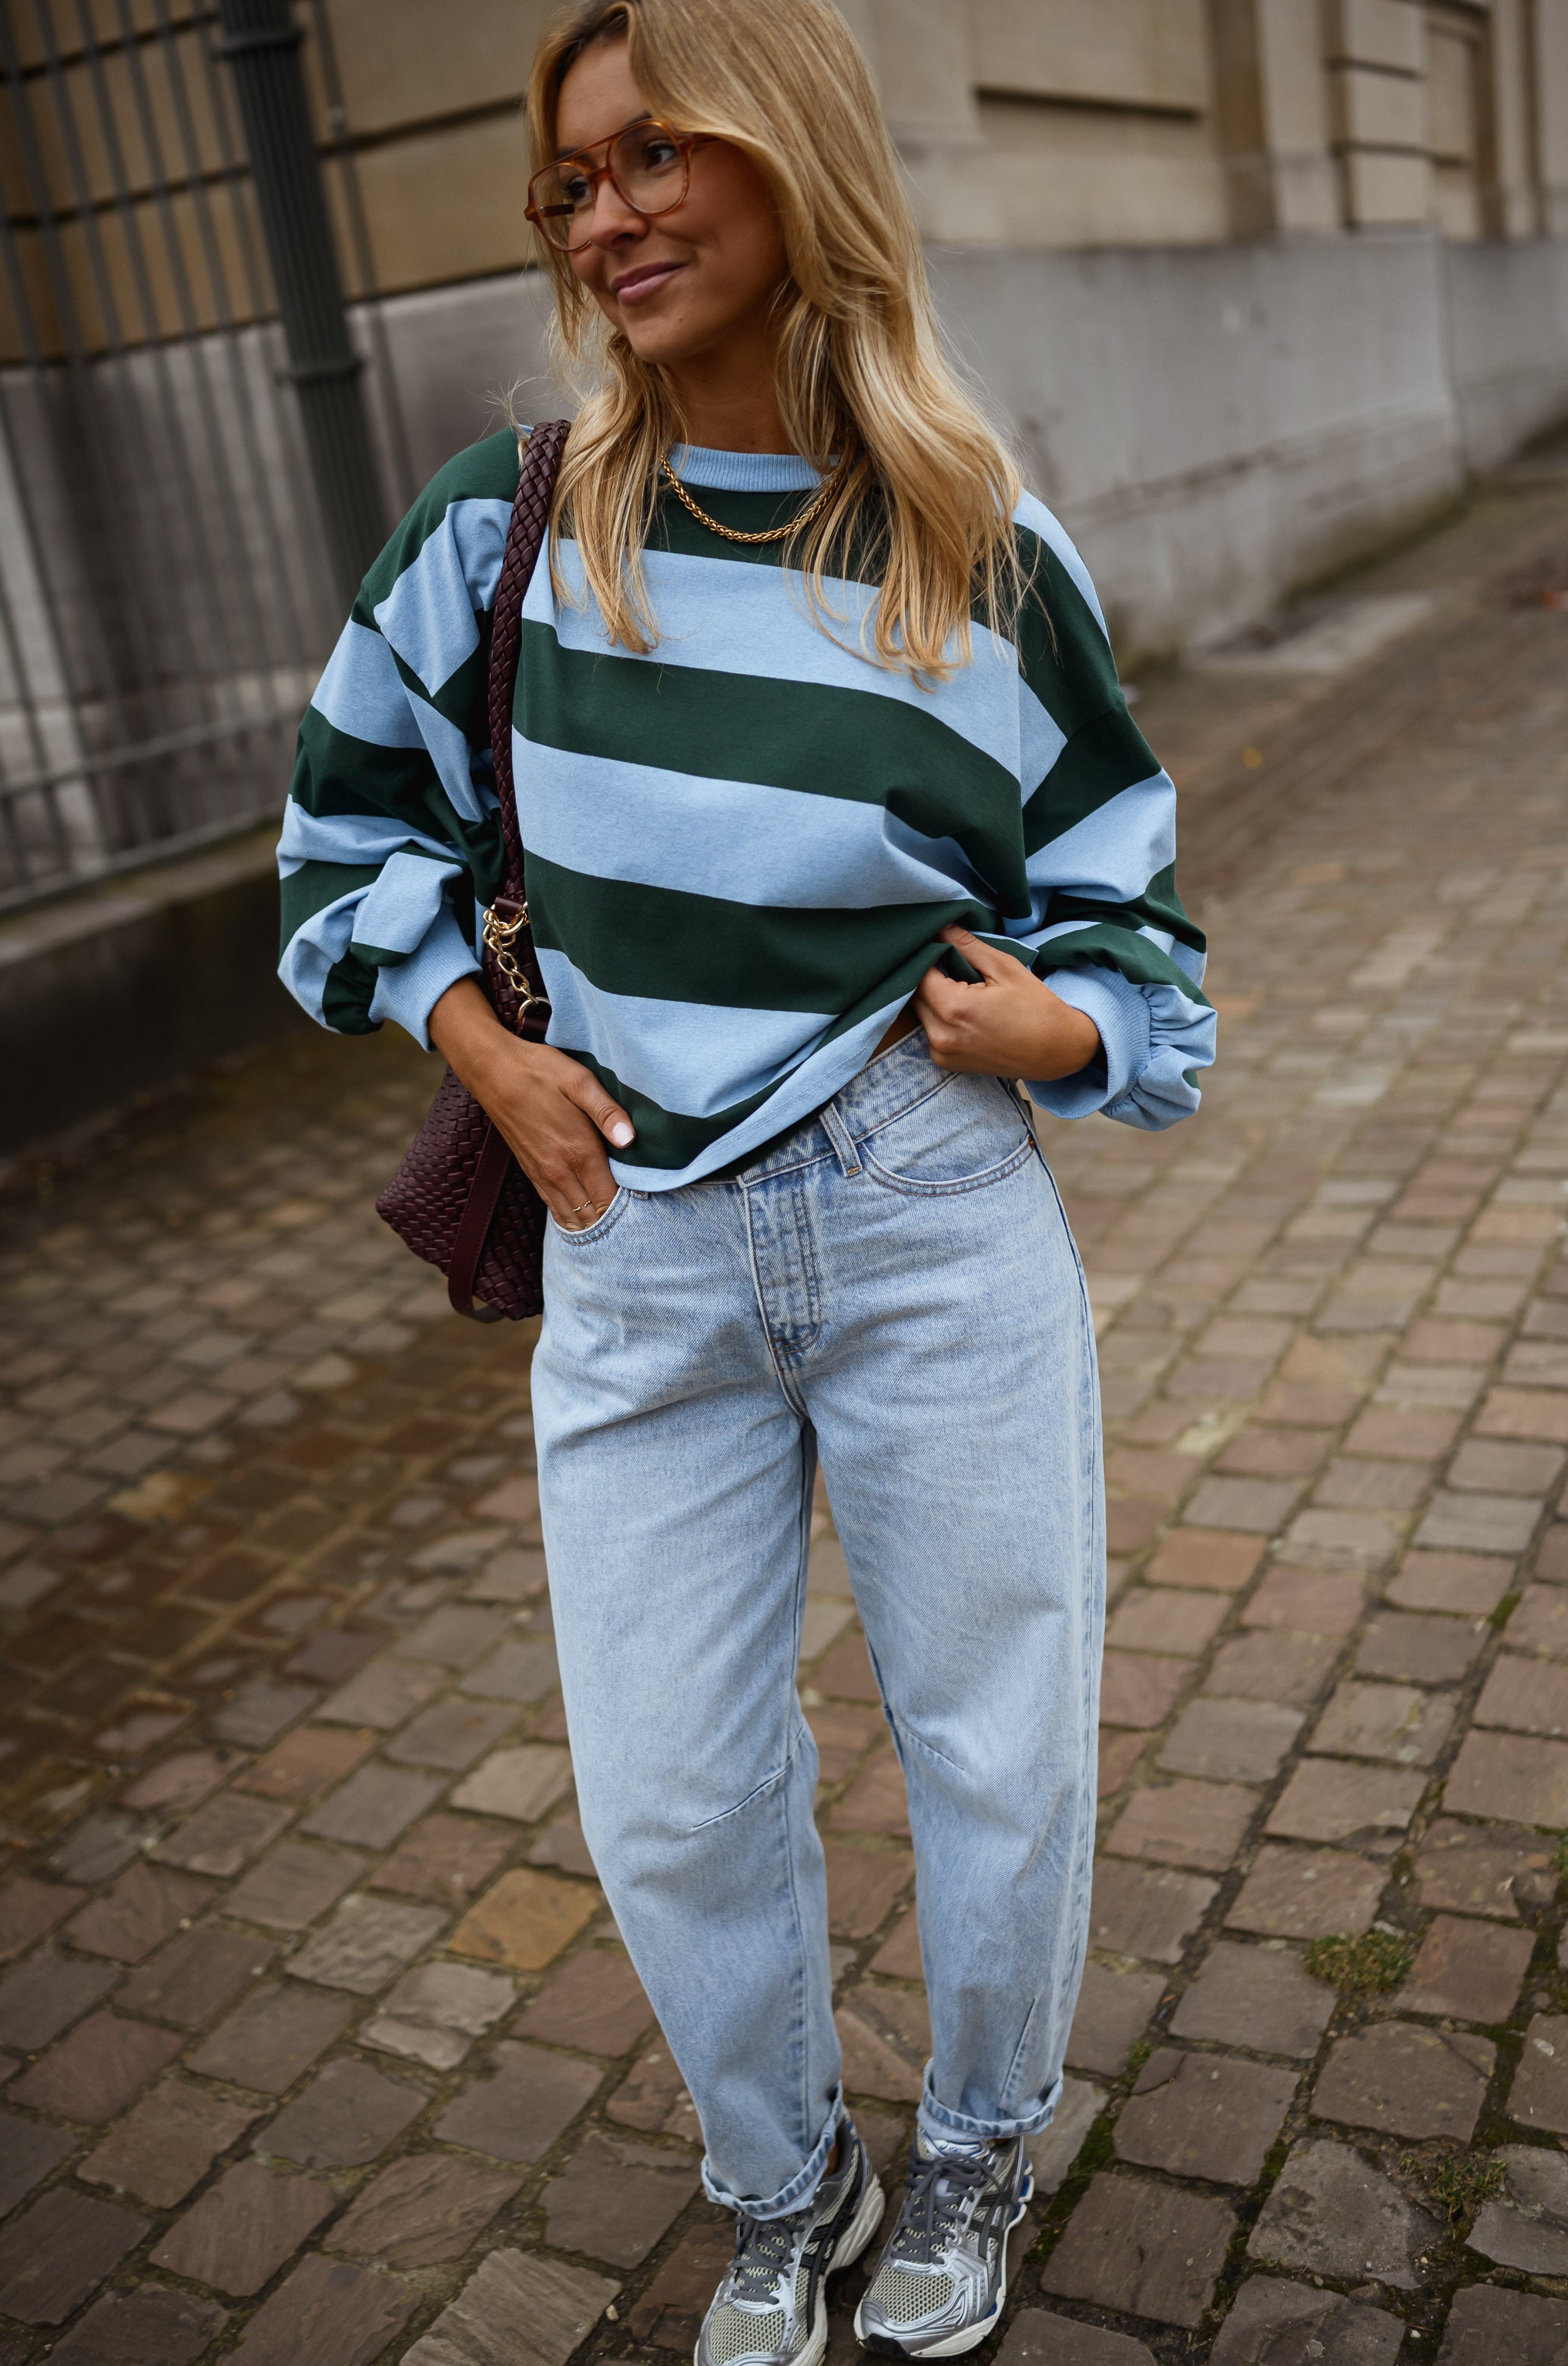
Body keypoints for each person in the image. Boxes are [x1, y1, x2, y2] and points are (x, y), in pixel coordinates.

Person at [276, 1, 1215, 2354]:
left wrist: (1059, 1026)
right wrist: (482, 1052)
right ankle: (785, 2185)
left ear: (792, 162)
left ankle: (980, 2162)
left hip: (925, 1204)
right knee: (675, 1788)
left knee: (998, 1746)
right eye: (571, 183)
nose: (608, 217)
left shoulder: (978, 549)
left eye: (655, 157)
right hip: (637, 1234)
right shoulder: (505, 527)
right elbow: (333, 842)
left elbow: (1130, 911)